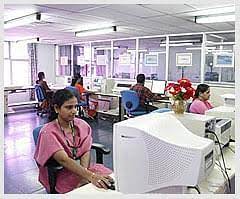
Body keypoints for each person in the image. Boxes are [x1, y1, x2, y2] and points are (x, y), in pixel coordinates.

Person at [34, 89, 113, 193]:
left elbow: (85, 150)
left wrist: (85, 177)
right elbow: (63, 160)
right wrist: (91, 176)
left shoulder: (81, 125)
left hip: (82, 169)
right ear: (57, 108)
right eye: (69, 107)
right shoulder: (48, 133)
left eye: (75, 106)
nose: (74, 111)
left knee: (111, 183)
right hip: (60, 174)